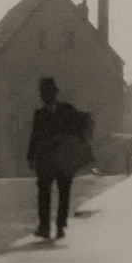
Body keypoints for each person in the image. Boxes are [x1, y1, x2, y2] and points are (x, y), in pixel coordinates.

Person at [27, 77, 88, 241]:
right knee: (47, 193)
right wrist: (31, 156)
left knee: (61, 192)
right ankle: (47, 226)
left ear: (52, 94)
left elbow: (79, 127)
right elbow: (35, 137)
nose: (43, 96)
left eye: (45, 93)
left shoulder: (62, 111)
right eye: (43, 93)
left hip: (61, 158)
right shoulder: (45, 113)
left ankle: (57, 226)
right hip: (48, 159)